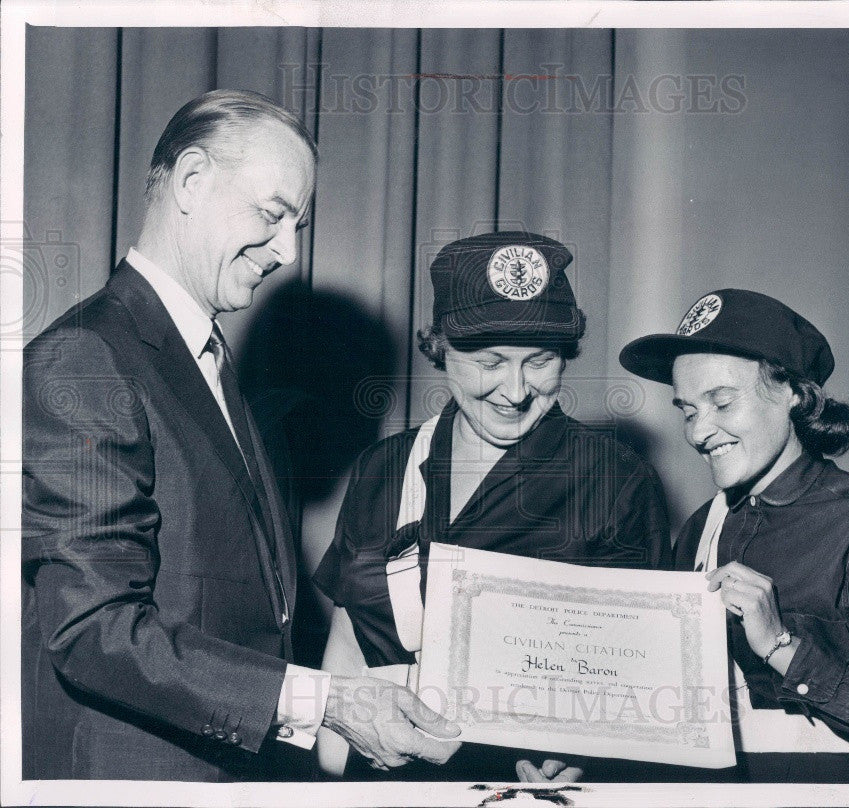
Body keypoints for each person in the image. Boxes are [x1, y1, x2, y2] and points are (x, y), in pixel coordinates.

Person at [21, 89, 458, 781]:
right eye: (273, 214)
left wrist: (348, 694)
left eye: (298, 226)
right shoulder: (88, 356)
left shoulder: (211, 370)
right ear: (192, 181)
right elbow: (92, 629)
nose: (287, 250)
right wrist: (327, 703)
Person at [313, 232, 677, 783]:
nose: (515, 390)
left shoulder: (618, 480)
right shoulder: (384, 466)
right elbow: (349, 637)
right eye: (490, 362)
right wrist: (327, 779)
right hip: (378, 775)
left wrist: (588, 756)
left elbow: (641, 674)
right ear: (441, 351)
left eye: (540, 362)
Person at [619, 288, 849, 783]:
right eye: (689, 410)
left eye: (721, 401)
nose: (698, 433)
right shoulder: (701, 527)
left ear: (794, 394)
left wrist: (782, 645)